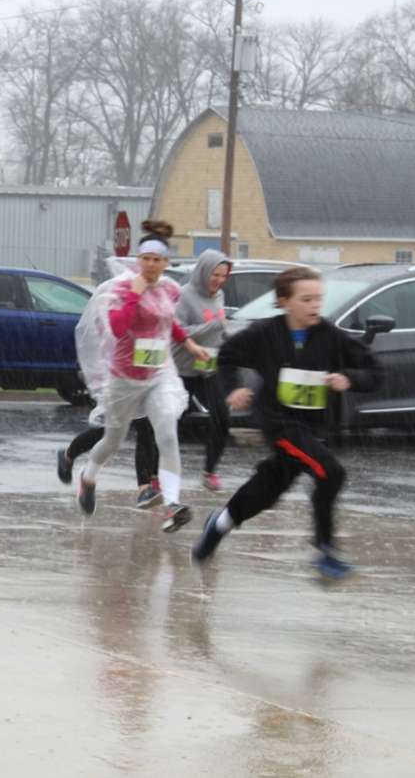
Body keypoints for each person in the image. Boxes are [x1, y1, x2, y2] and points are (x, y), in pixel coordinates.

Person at [191, 266, 381, 580]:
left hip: (315, 428)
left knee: (270, 487)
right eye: (306, 299)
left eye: (318, 299)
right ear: (284, 301)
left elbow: (375, 370)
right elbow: (225, 356)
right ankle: (325, 550)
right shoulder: (264, 334)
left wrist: (349, 378)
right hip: (280, 423)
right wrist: (234, 388)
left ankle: (219, 524)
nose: (314, 306)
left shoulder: (330, 335)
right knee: (331, 472)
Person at [75, 221, 209, 533]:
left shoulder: (170, 290)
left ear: (165, 263)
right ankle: (88, 476)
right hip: (124, 377)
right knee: (112, 439)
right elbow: (118, 328)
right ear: (139, 260)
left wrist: (189, 343)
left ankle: (172, 505)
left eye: (156, 259)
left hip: (159, 374)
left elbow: (169, 322)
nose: (150, 264)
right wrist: (135, 295)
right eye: (145, 258)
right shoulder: (123, 289)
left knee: (167, 433)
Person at [173, 250, 233, 491]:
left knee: (222, 417)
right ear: (203, 272)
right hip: (183, 367)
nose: (218, 280)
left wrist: (227, 338)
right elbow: (178, 331)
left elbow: (219, 330)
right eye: (214, 275)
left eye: (223, 276)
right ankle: (159, 474)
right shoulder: (184, 296)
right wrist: (214, 325)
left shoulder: (219, 295)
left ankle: (210, 471)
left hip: (209, 366)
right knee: (174, 422)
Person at [56, 420, 161, 508]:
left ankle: (145, 489)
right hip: (118, 396)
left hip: (141, 396)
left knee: (146, 425)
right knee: (108, 432)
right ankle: (70, 458)